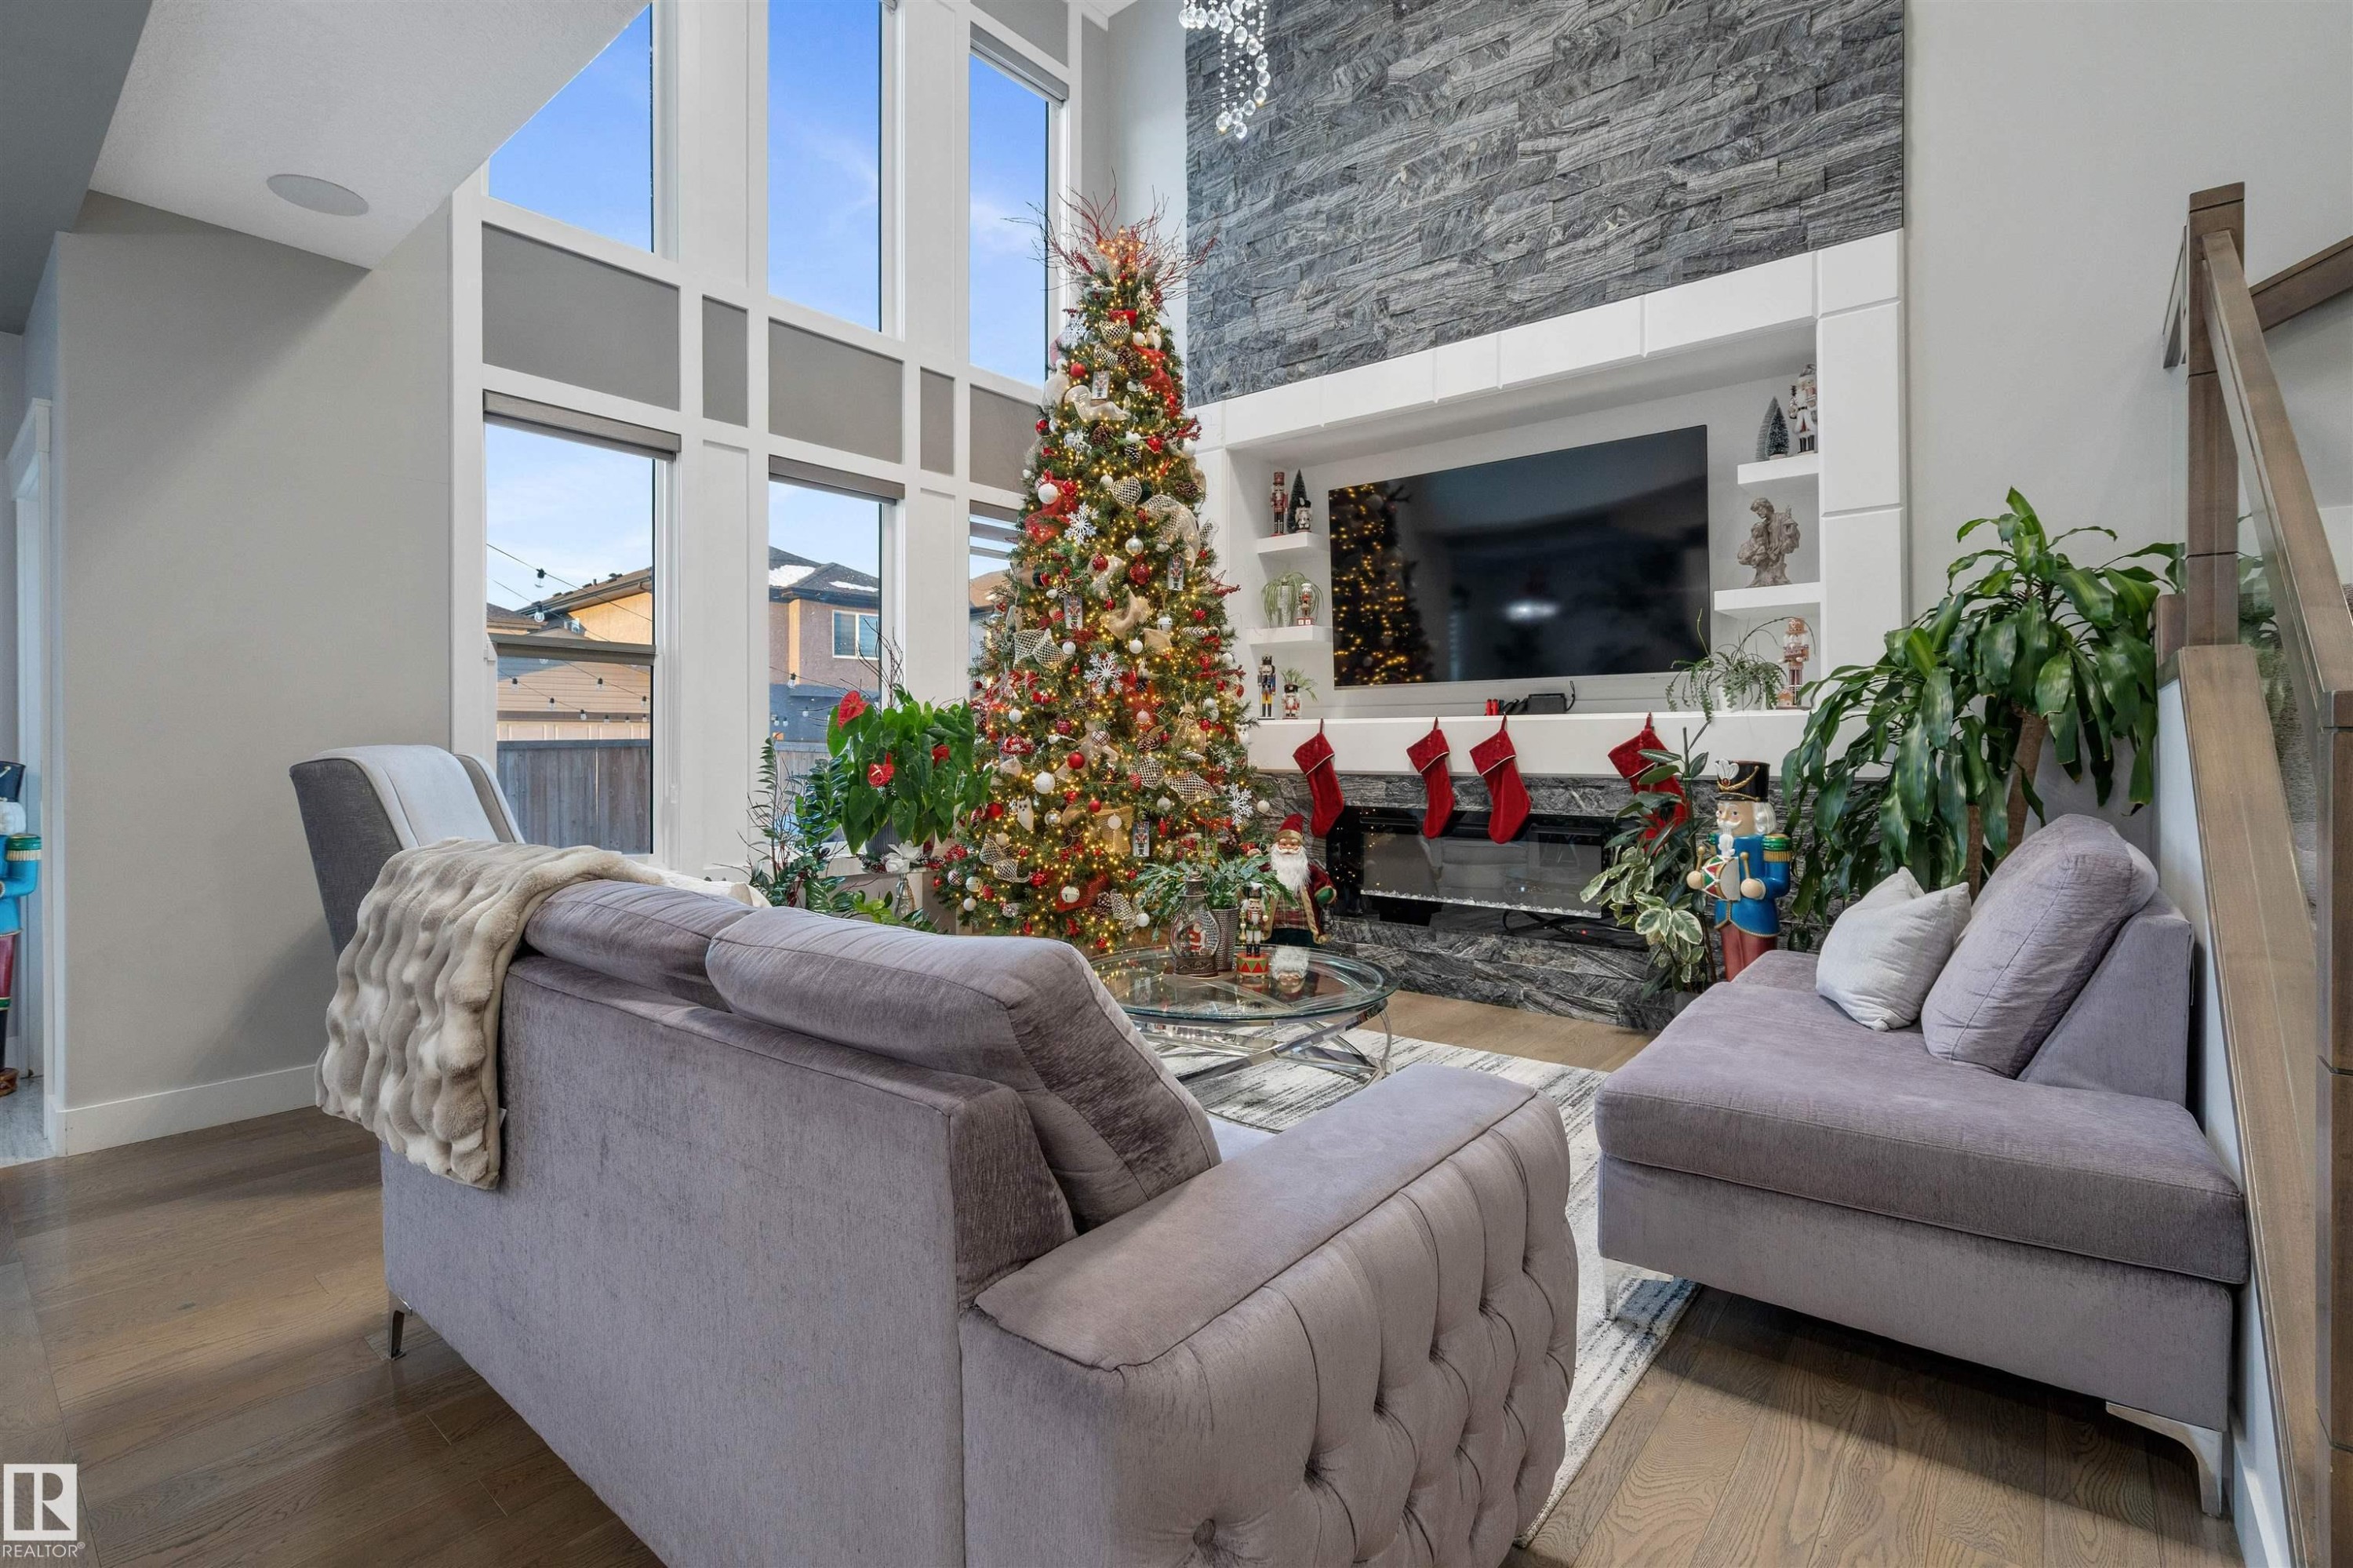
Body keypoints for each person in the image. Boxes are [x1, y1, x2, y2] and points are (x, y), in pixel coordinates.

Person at [1687, 761, 1791, 980]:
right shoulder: (1717, 839)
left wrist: (1760, 886)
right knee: (1732, 970)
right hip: (1725, 912)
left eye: (1733, 812)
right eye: (1721, 811)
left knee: (1757, 972)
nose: (1723, 818)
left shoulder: (1772, 842)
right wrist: (1701, 878)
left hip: (1756, 915)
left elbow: (1780, 882)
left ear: (1759, 814)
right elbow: (1718, 871)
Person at [1266, 814, 1335, 945]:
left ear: (1301, 847)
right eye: (1284, 844)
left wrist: (1324, 893)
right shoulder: (1268, 869)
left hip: (1304, 928)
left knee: (1305, 955)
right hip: (1273, 928)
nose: (1288, 848)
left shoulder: (1308, 870)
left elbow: (1323, 883)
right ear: (1276, 846)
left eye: (1293, 844)